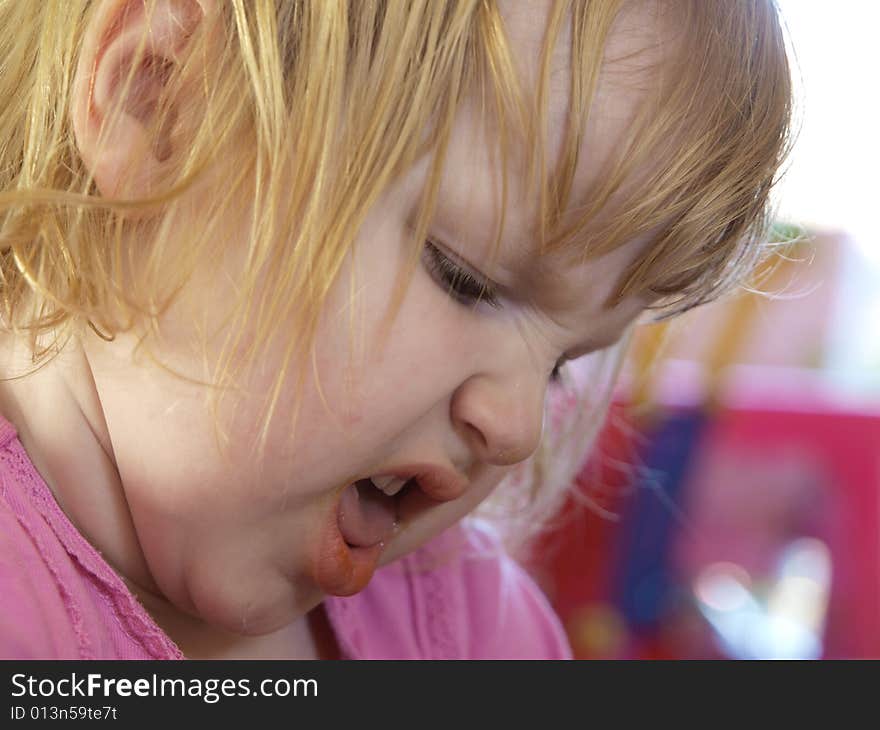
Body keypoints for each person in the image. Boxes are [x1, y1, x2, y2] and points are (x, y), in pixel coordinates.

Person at [0, 0, 791, 659]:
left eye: (562, 366)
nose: (517, 430)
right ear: (159, 100)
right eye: (466, 279)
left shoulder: (477, 629)